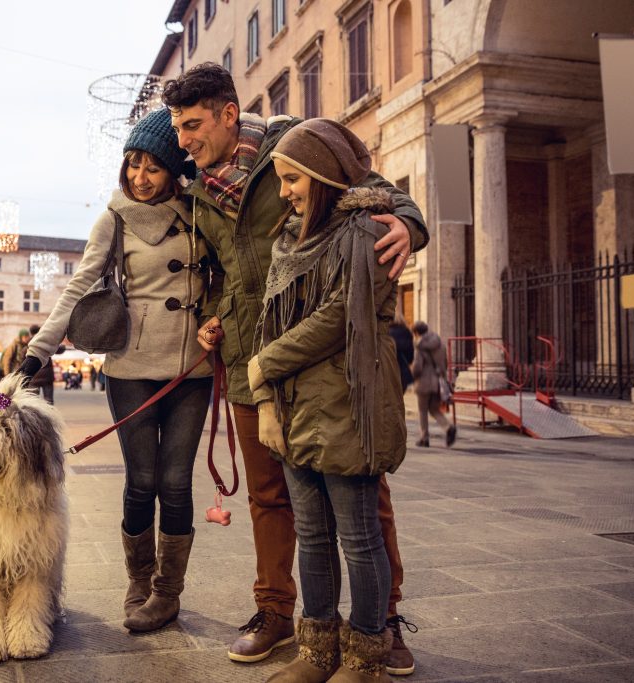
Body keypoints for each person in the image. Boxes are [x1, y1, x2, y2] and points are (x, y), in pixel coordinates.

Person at [165, 63, 427, 669]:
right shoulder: (201, 190)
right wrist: (214, 313)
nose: (185, 140)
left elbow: (384, 192)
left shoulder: (300, 147)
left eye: (193, 125)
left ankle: (381, 624)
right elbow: (213, 273)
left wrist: (408, 226)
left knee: (365, 497)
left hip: (327, 366)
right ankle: (279, 613)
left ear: (230, 115)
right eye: (179, 129)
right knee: (268, 495)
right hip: (249, 361)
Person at [18, 107, 214, 634]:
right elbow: (81, 285)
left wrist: (217, 319)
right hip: (131, 365)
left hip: (191, 367)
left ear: (174, 169)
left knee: (175, 482)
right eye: (132, 165)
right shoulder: (115, 216)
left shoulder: (202, 211)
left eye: (152, 167)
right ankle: (139, 578)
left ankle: (167, 593)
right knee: (141, 479)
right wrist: (39, 350)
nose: (140, 178)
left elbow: (225, 278)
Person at [247, 118, 412, 682]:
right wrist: (266, 397)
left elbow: (341, 316)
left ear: (322, 173)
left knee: (360, 538)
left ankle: (365, 657)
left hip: (349, 402)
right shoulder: (289, 240)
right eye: (281, 180)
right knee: (313, 536)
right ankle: (317, 650)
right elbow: (272, 320)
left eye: (293, 179)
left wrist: (265, 364)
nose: (285, 192)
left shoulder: (367, 230)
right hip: (297, 408)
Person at [411, 321, 456, 448]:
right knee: (434, 409)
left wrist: (412, 374)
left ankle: (424, 438)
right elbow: (445, 364)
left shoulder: (419, 346)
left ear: (416, 333)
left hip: (423, 383)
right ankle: (448, 428)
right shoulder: (440, 344)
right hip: (438, 382)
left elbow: (418, 367)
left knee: (422, 410)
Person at [26, 323, 59, 404]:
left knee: (33, 402)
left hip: (34, 376)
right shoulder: (45, 340)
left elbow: (22, 355)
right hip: (47, 376)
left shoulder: (28, 343)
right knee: (49, 401)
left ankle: (35, 416)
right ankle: (50, 415)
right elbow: (59, 349)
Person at [389, 313, 415, 394]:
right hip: (403, 371)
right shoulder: (408, 333)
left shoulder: (386, 333)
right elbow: (411, 355)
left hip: (389, 370)